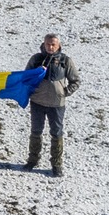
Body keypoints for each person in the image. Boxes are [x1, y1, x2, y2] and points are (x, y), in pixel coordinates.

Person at [25, 33, 80, 176]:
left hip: (57, 104)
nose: (50, 47)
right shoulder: (36, 59)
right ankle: (32, 160)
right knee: (36, 131)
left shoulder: (65, 61)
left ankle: (56, 164)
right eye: (48, 44)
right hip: (37, 102)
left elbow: (76, 81)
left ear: (58, 45)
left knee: (56, 133)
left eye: (53, 44)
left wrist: (65, 92)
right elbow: (25, 77)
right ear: (43, 44)